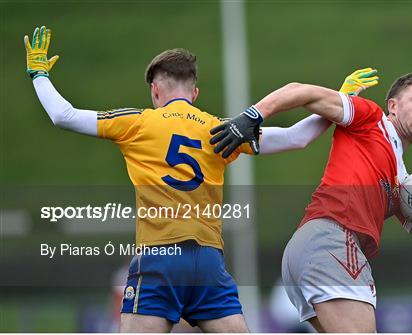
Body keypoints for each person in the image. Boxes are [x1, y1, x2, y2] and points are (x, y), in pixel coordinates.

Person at [24, 25, 379, 332]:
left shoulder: (137, 123)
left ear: (154, 91)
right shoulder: (220, 130)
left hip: (159, 258)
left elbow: (63, 115)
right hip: (207, 263)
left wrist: (39, 74)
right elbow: (297, 137)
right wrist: (340, 98)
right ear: (196, 92)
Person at [210, 71, 412, 332]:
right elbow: (301, 90)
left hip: (310, 250)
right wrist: (253, 115)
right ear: (392, 105)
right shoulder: (372, 118)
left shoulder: (402, 185)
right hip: (331, 242)